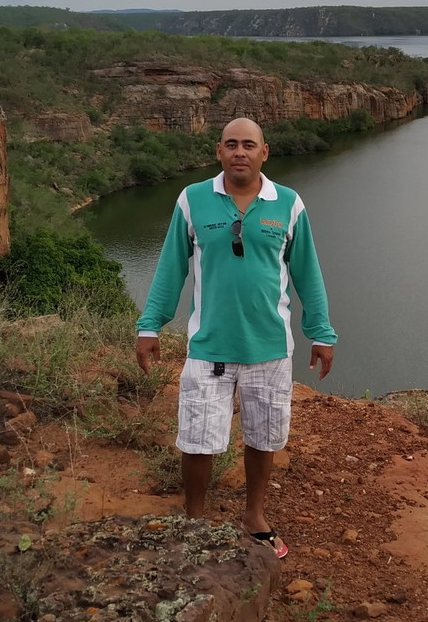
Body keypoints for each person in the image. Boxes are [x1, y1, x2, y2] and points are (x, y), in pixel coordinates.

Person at [135, 117, 336, 559]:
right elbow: (172, 268)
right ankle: (194, 520)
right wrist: (150, 325)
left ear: (265, 152)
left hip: (269, 348)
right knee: (197, 438)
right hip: (209, 346)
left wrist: (320, 333)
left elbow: (307, 274)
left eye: (249, 145)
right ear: (218, 151)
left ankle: (254, 515)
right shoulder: (192, 200)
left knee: (264, 437)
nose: (240, 152)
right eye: (231, 144)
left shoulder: (287, 203)